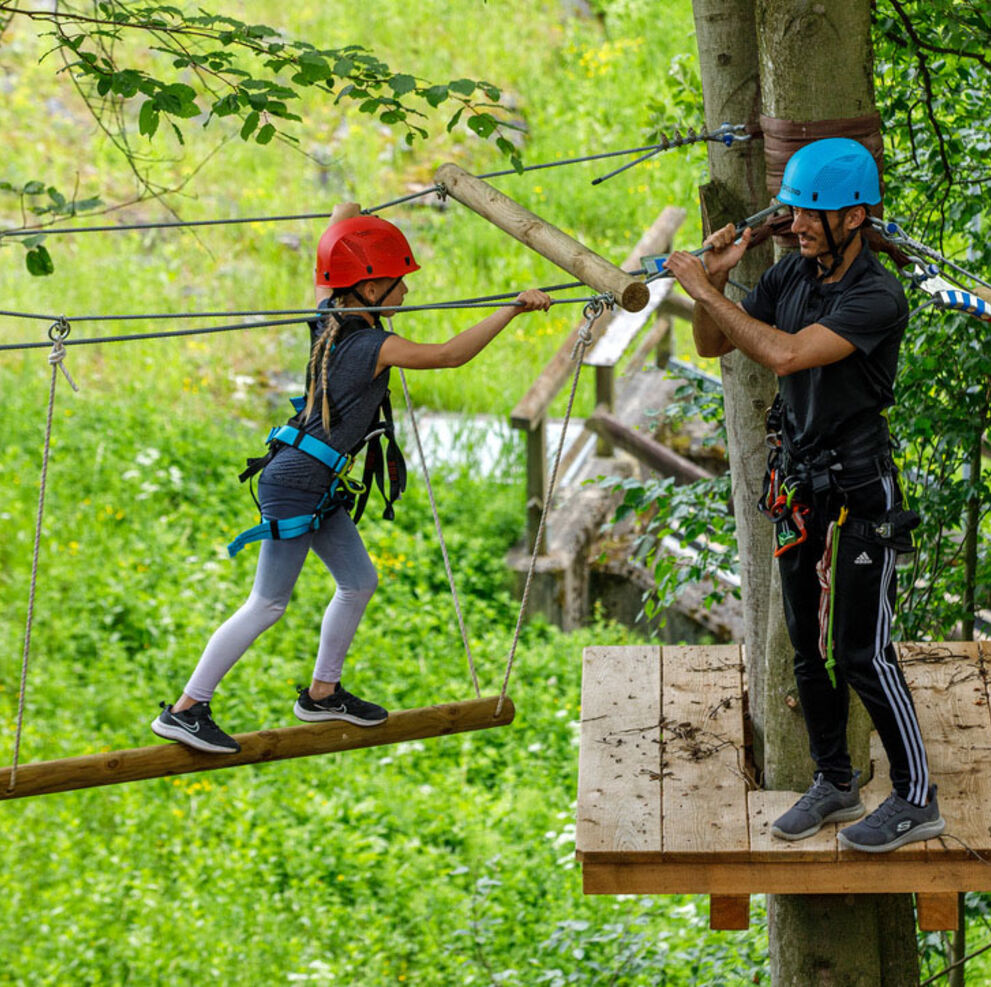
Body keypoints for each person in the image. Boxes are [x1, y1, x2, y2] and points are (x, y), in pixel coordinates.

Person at [152, 202, 551, 755]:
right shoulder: (370, 344)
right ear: (367, 290)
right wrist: (512, 310)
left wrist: (352, 217)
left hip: (313, 479)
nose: (407, 293)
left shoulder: (329, 313)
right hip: (297, 482)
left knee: (359, 582)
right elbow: (448, 355)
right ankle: (186, 709)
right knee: (268, 603)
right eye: (398, 283)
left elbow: (338, 232)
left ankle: (323, 693)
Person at [664, 137, 945, 853]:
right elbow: (709, 343)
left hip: (860, 494)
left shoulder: (874, 293)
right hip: (800, 486)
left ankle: (917, 797)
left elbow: (784, 354)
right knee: (804, 648)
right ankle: (835, 778)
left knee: (860, 651)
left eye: (812, 216)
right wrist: (718, 286)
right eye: (795, 213)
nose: (796, 226)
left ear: (855, 217)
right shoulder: (791, 272)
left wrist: (700, 287)